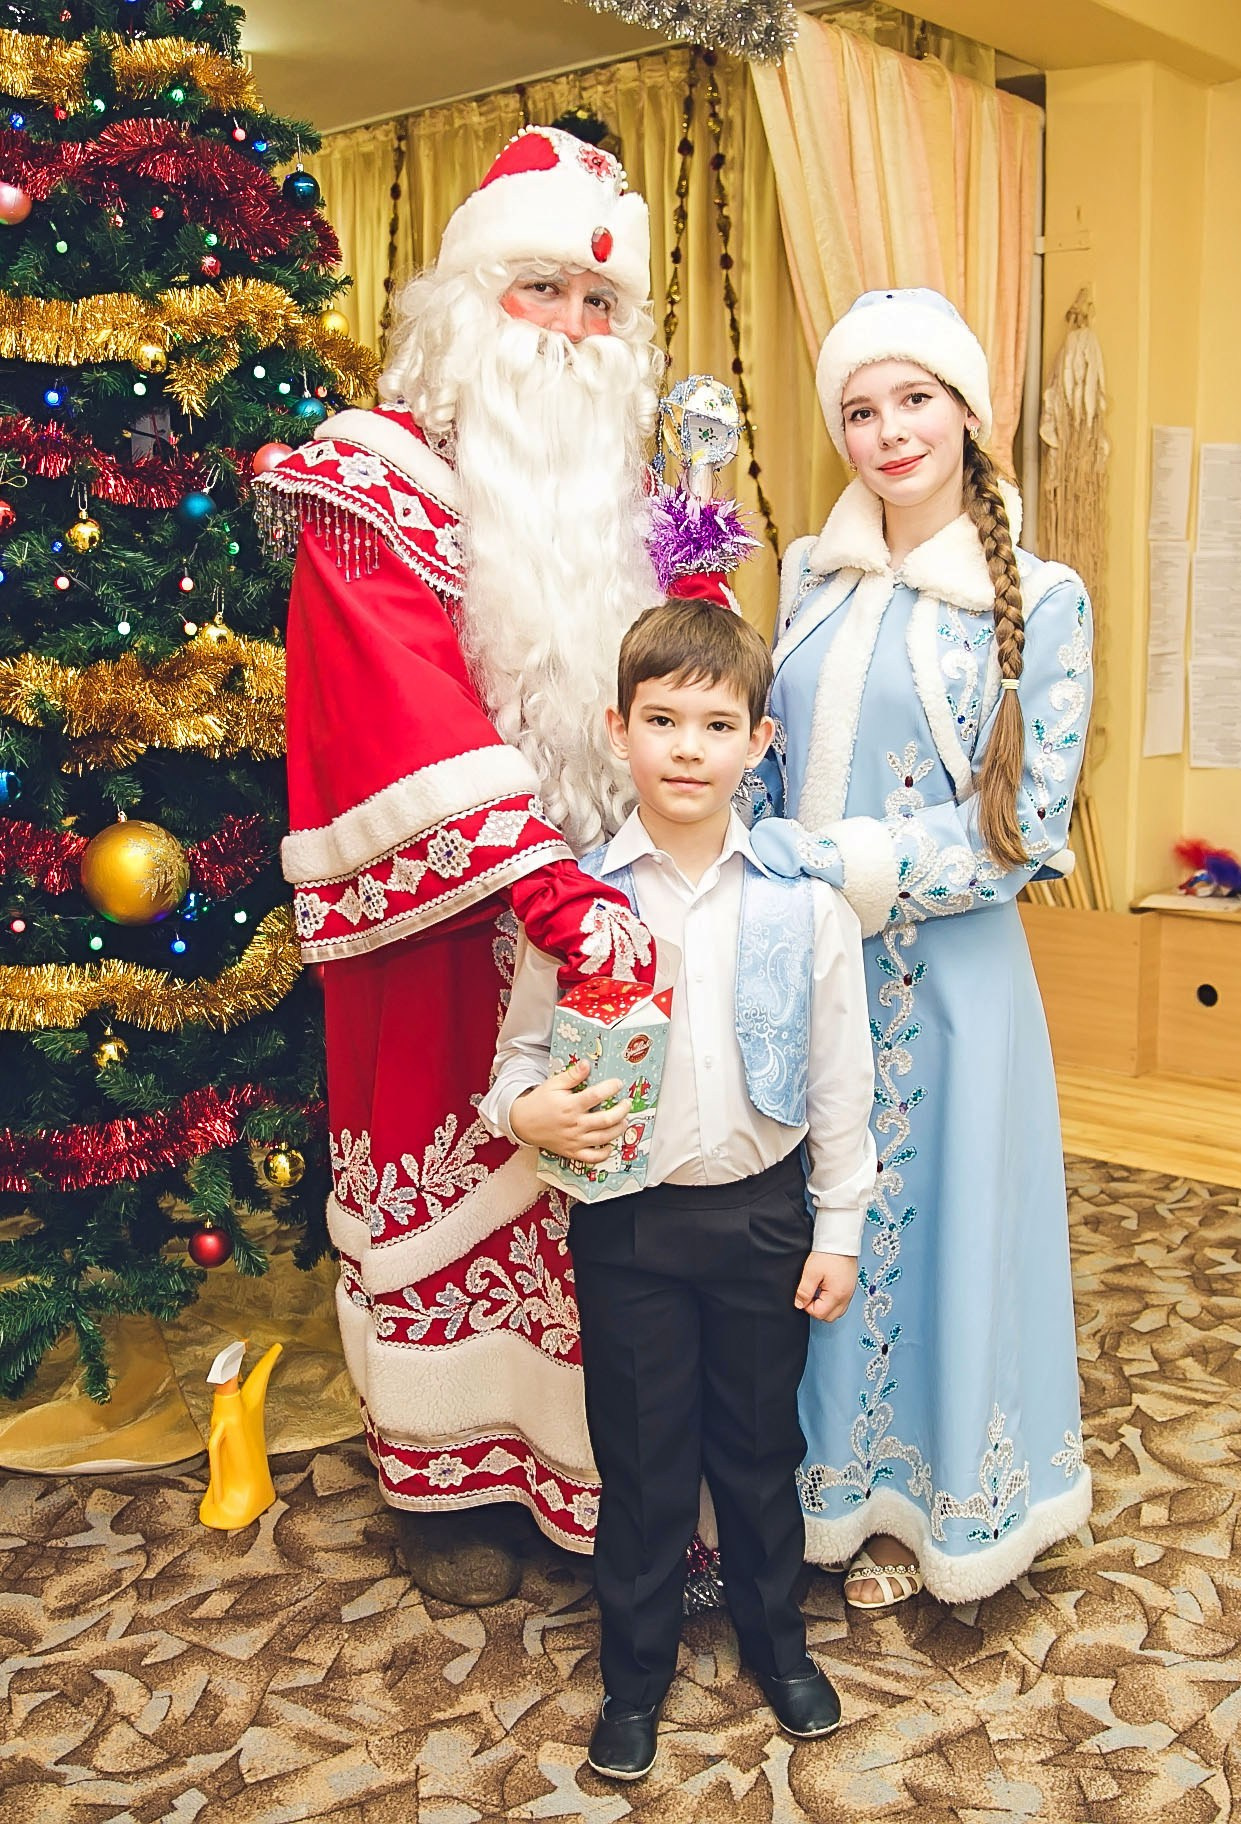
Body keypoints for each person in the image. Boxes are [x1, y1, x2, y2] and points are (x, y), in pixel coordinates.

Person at [260, 125, 666, 1607]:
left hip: (592, 923)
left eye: (599, 302)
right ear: (462, 302)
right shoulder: (367, 482)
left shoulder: (618, 498)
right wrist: (541, 883)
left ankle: (591, 1478)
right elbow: (397, 706)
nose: (569, 328)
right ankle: (452, 1485)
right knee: (452, 1194)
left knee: (599, 1204)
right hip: (444, 927)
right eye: (539, 287)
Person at [478, 601, 878, 1779]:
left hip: (761, 1217)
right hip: (628, 1228)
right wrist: (523, 1112)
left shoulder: (802, 904)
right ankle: (634, 1675)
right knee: (644, 1465)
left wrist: (837, 1226)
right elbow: (517, 1056)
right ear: (618, 730)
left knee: (757, 1452)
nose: (687, 749)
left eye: (715, 724)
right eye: (661, 721)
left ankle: (776, 1644)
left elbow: (840, 1076)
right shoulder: (576, 907)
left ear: (758, 742)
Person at [749, 287, 1094, 1610]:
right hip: (809, 970)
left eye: (914, 400)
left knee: (944, 1231)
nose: (888, 431)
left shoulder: (1039, 600)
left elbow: (1027, 833)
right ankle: (819, 1497)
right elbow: (765, 761)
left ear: (964, 414)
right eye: (859, 409)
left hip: (951, 987)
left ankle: (936, 1507)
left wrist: (842, 866)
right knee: (811, 1229)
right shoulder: (807, 576)